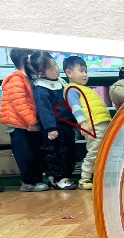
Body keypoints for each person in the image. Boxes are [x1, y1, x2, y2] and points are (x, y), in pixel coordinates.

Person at [25, 51, 77, 190]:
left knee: (69, 151)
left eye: (55, 65)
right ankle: (58, 178)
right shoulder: (41, 89)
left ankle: (65, 176)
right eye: (52, 68)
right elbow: (44, 110)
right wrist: (50, 128)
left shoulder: (60, 81)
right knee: (56, 154)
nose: (56, 69)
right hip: (54, 128)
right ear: (41, 73)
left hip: (66, 125)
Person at [0, 48, 49, 192]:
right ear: (27, 59)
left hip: (26, 124)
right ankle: (28, 183)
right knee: (25, 155)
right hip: (19, 126)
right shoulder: (16, 79)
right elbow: (19, 103)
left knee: (35, 153)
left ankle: (35, 180)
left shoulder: (28, 78)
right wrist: (32, 122)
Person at [63, 55, 112, 190]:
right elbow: (75, 108)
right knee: (94, 152)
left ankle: (98, 177)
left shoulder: (85, 89)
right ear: (69, 73)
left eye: (86, 71)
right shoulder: (72, 89)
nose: (85, 74)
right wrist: (82, 123)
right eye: (81, 71)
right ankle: (84, 178)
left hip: (102, 123)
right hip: (93, 126)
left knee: (102, 152)